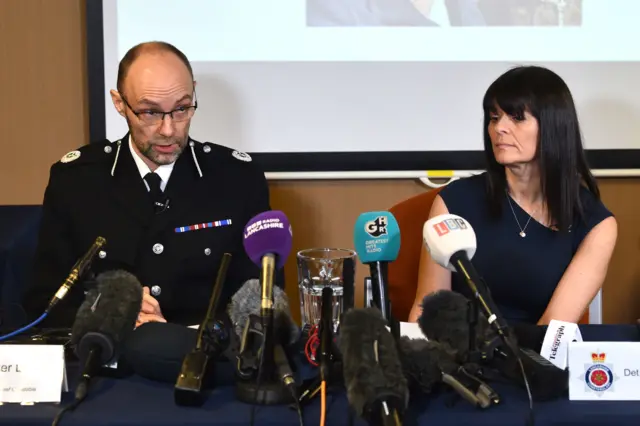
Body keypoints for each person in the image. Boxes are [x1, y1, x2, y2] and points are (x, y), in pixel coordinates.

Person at [23, 41, 282, 328]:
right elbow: (44, 304)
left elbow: (263, 301)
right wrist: (109, 317)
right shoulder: (76, 182)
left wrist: (194, 337)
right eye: (150, 112)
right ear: (120, 103)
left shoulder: (237, 180)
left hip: (206, 361)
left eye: (182, 108)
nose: (168, 130)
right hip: (111, 363)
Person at [408, 65, 617, 325]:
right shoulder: (453, 202)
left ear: (553, 127)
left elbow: (553, 328)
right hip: (457, 357)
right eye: (494, 117)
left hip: (534, 359)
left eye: (517, 117)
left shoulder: (595, 224)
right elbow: (426, 308)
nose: (499, 128)